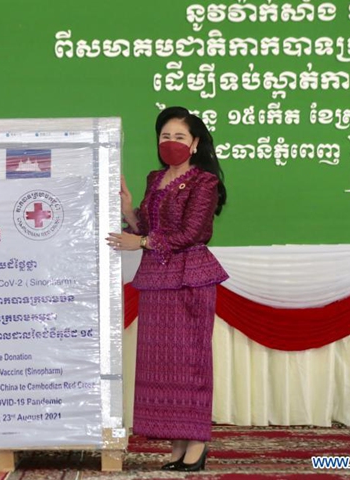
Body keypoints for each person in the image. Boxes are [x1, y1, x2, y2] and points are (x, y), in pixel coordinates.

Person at [107, 106, 228, 472]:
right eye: (165, 136)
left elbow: (193, 233)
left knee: (190, 363)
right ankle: (177, 445)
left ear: (195, 144)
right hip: (156, 280)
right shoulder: (154, 178)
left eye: (179, 137)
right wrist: (129, 210)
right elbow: (148, 227)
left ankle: (197, 443)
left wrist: (142, 242)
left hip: (190, 279)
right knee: (164, 366)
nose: (171, 142)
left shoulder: (205, 182)